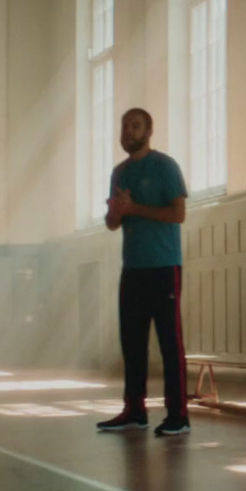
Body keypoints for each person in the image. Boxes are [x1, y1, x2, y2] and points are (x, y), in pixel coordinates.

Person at [96, 107, 191, 437]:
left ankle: (178, 415)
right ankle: (135, 410)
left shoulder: (165, 166)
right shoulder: (119, 173)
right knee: (132, 343)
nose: (128, 132)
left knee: (169, 343)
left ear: (149, 131)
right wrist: (117, 212)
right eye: (124, 127)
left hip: (164, 266)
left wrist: (135, 208)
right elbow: (111, 224)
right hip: (132, 268)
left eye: (135, 126)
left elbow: (178, 214)